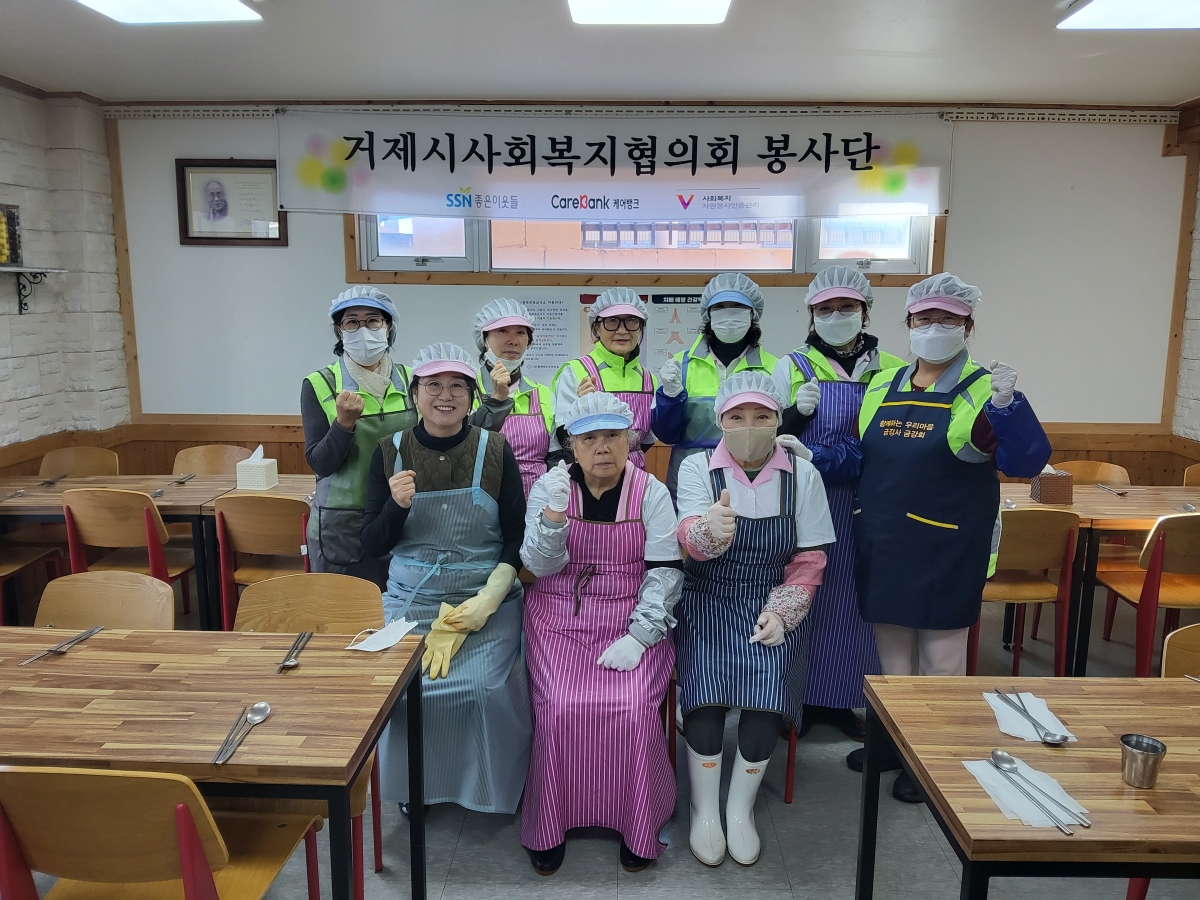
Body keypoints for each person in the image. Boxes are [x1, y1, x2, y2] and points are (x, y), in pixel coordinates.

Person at [849, 273, 1051, 803]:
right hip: (884, 538)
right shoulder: (882, 384)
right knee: (893, 654)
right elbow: (865, 455)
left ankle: (933, 756)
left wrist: (1009, 410)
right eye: (924, 318)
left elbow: (1025, 463)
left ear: (968, 325)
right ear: (909, 322)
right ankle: (895, 741)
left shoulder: (986, 390)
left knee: (941, 660)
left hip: (948, 547)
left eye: (948, 319)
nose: (934, 326)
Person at [362, 342, 531, 815]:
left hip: (482, 600)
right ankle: (415, 786)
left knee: (485, 688)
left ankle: (488, 789)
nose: (445, 395)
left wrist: (490, 597)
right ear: (414, 394)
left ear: (473, 396)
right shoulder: (389, 451)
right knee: (403, 689)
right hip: (411, 600)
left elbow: (516, 534)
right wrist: (394, 508)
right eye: (433, 385)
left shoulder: (495, 450)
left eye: (458, 386)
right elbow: (371, 544)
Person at [675, 372, 835, 867]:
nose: (748, 426)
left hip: (771, 601)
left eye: (761, 416)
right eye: (737, 416)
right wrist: (707, 532)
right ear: (720, 420)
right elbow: (687, 542)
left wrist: (783, 613)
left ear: (778, 420)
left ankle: (739, 809)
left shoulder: (803, 476)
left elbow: (810, 558)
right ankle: (705, 809)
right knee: (704, 695)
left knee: (767, 695)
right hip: (706, 596)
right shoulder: (696, 467)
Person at [519, 393, 682, 875]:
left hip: (632, 613)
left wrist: (641, 635)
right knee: (560, 705)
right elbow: (538, 566)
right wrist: (552, 520)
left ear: (630, 439)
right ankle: (549, 825)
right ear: (571, 444)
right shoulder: (550, 487)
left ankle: (638, 822)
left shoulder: (651, 492)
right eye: (589, 438)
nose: (602, 447)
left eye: (613, 435)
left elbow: (666, 571)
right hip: (558, 614)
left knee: (632, 706)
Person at [771, 266, 906, 740]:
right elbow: (769, 432)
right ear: (811, 315)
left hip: (869, 499)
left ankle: (846, 698)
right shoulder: (792, 366)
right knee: (806, 590)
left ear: (865, 311)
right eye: (825, 309)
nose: (836, 315)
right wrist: (795, 414)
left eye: (846, 307)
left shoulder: (893, 368)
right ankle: (798, 698)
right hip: (807, 498)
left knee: (854, 596)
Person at [302, 286, 417, 589]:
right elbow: (320, 464)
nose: (363, 329)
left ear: (388, 327)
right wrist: (343, 424)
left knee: (400, 608)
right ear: (339, 331)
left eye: (373, 320)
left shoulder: (413, 380)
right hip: (342, 523)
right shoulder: (320, 383)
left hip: (400, 513)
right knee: (344, 611)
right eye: (352, 322)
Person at [653, 273, 777, 497]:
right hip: (692, 481)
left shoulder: (774, 368)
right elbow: (666, 435)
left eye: (737, 306)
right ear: (708, 314)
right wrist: (670, 398)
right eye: (720, 307)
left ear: (753, 314)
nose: (728, 314)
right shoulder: (681, 366)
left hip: (754, 480)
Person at [552, 287, 657, 469]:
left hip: (635, 473)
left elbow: (648, 439)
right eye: (612, 321)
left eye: (631, 321)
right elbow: (564, 438)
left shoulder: (648, 379)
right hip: (589, 473)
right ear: (597, 327)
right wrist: (583, 410)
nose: (622, 330)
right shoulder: (575, 371)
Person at [468, 298, 555, 497]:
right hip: (483, 499)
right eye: (503, 331)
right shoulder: (465, 388)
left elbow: (555, 456)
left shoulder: (542, 393)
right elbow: (462, 447)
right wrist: (496, 400)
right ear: (484, 339)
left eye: (521, 332)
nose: (513, 340)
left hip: (535, 500)